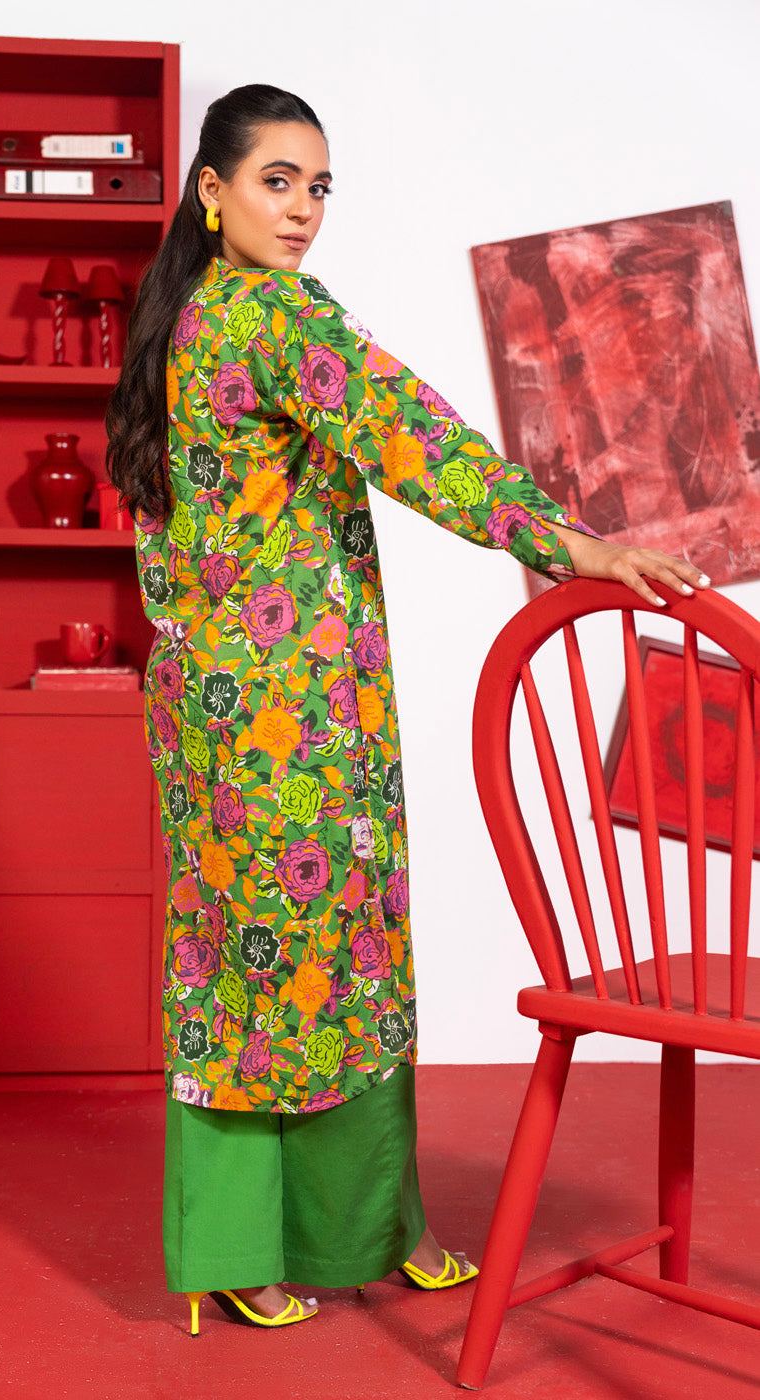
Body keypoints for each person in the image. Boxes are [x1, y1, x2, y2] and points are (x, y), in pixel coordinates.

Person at [105, 85, 709, 1336]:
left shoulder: (185, 319)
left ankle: (361, 1227)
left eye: (319, 187)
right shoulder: (273, 317)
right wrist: (568, 542)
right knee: (309, 955)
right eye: (276, 181)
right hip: (283, 714)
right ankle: (253, 1243)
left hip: (236, 701)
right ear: (212, 192)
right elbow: (413, 434)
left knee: (282, 951)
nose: (302, 210)